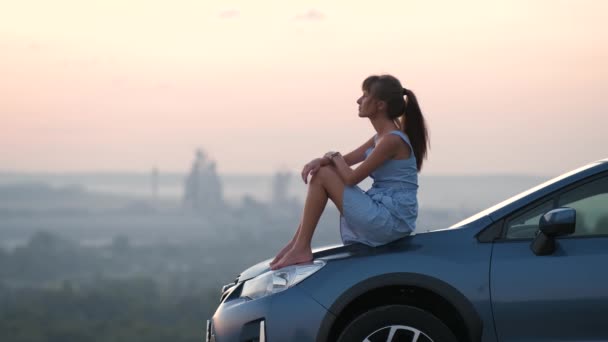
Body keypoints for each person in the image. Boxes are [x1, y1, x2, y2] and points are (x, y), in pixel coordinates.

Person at [270, 74, 430, 270]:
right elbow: (345, 161)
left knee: (323, 175)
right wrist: (322, 160)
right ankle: (298, 244)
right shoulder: (380, 138)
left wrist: (332, 156)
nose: (358, 100)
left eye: (365, 95)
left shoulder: (391, 140)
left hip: (390, 220)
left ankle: (301, 246)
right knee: (324, 171)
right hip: (385, 214)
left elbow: (351, 177)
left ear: (380, 105)